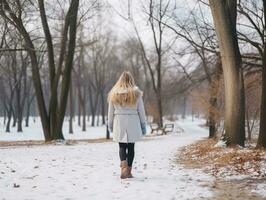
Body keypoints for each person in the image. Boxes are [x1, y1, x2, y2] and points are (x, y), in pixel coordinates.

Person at [107, 71, 147, 179]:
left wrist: (110, 125)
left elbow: (110, 112)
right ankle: (128, 171)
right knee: (131, 147)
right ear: (131, 80)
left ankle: (123, 167)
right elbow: (141, 111)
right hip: (133, 122)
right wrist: (143, 126)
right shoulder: (136, 94)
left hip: (119, 122)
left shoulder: (114, 94)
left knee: (121, 145)